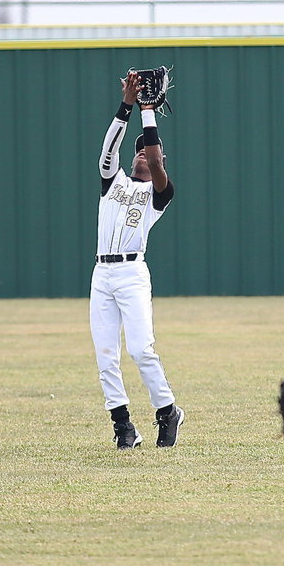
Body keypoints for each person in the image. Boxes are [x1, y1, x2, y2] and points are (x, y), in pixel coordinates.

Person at [89, 69, 184, 450]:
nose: (144, 153)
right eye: (139, 151)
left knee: (141, 349)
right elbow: (108, 149)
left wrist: (149, 112)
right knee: (105, 356)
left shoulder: (157, 195)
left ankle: (167, 412)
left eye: (151, 151)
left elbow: (158, 163)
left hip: (131, 272)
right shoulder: (113, 184)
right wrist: (127, 104)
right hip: (102, 273)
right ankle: (124, 426)